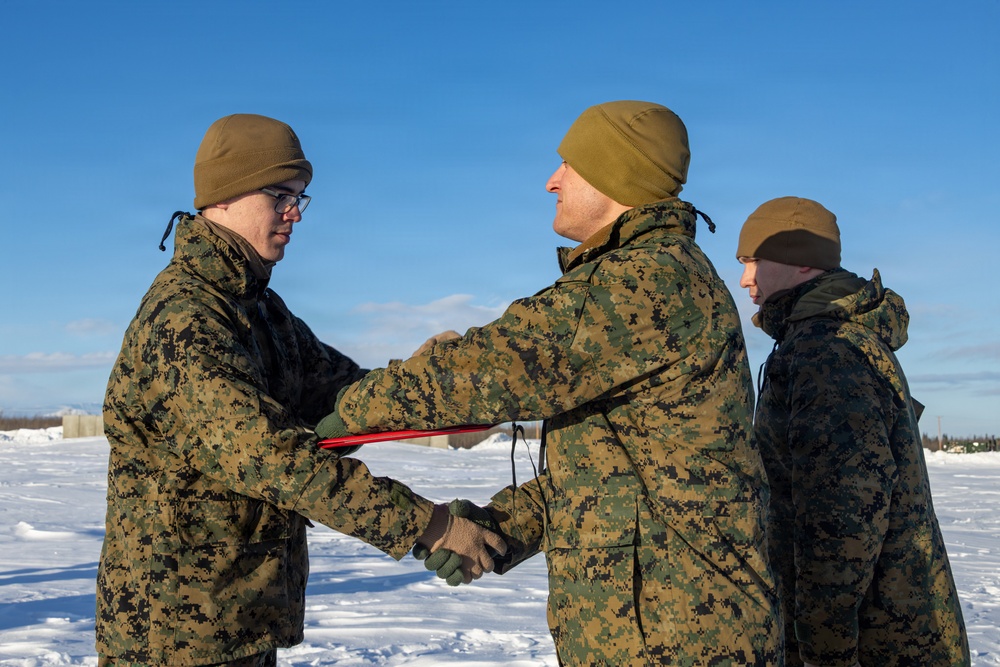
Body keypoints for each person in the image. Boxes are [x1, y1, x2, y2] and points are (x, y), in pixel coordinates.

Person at [316, 101, 781, 665]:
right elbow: (610, 482)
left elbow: (491, 366)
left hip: (684, 639)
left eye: (570, 165)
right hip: (646, 632)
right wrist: (499, 529)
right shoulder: (640, 281)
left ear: (616, 175)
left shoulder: (652, 280)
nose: (551, 181)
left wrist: (353, 411)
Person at [96, 113, 504, 666]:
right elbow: (273, 457)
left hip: (238, 622)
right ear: (223, 197)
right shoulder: (186, 319)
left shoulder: (261, 310)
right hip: (174, 636)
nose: (294, 214)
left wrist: (422, 382)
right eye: (279, 195)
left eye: (300, 198)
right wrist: (426, 525)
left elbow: (340, 393)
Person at [735, 196, 970, 667]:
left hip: (874, 642)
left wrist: (825, 650)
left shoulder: (827, 352)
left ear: (802, 262)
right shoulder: (824, 341)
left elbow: (841, 521)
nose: (745, 279)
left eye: (754, 260)